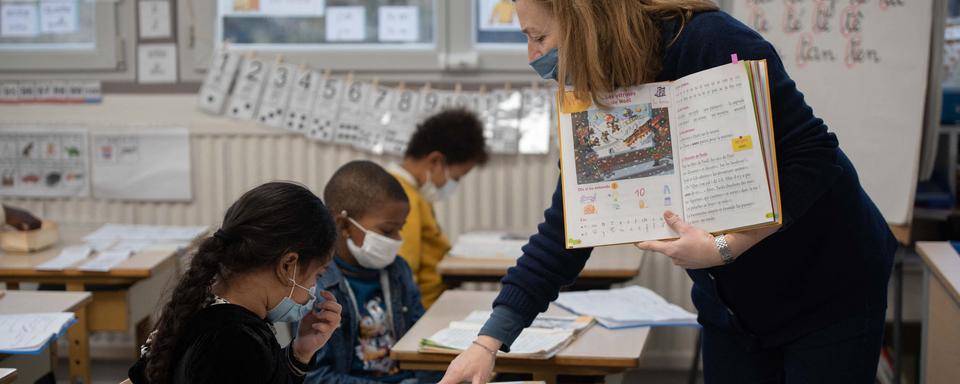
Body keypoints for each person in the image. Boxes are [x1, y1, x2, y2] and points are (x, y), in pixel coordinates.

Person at [440, 1, 896, 384]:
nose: (531, 55)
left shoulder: (708, 42)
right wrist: (488, 342)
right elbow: (569, 225)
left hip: (829, 285)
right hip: (734, 308)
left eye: (537, 37)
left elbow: (813, 155)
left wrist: (726, 246)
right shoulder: (605, 90)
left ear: (580, 18)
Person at [128, 182, 343, 384]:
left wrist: (299, 354)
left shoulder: (203, 303)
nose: (314, 288)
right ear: (288, 265)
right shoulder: (236, 344)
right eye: (318, 275)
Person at [307, 160, 437, 383]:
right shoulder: (315, 285)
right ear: (344, 225)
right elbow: (316, 376)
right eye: (387, 230)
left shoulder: (398, 270)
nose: (397, 240)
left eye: (400, 229)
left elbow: (421, 341)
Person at [386, 108, 489, 308]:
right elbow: (407, 270)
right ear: (435, 161)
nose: (454, 184)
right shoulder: (405, 200)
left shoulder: (412, 193)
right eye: (457, 177)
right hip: (425, 308)